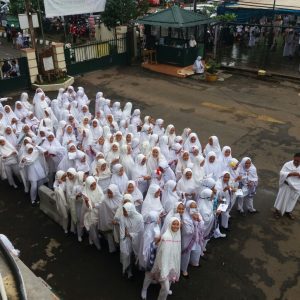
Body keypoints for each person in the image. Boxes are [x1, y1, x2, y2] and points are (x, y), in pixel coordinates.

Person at [151, 217, 181, 300]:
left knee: (170, 281)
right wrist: (164, 270)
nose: (175, 226)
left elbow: (177, 252)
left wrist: (176, 265)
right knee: (166, 288)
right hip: (164, 265)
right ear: (170, 224)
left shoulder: (178, 236)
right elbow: (162, 255)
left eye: (177, 224)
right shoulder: (166, 237)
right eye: (173, 224)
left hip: (172, 264)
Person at [119, 202, 144, 278]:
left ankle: (139, 266)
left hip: (137, 240)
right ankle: (128, 270)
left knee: (136, 254)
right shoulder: (122, 217)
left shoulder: (139, 218)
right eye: (123, 211)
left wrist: (130, 234)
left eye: (125, 211)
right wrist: (124, 239)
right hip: (126, 240)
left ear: (130, 211)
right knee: (127, 255)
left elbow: (140, 232)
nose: (124, 213)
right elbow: (122, 232)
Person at [274, 153, 300, 220]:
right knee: (281, 199)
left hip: (296, 187)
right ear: (293, 158)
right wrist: (291, 174)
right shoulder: (287, 164)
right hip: (286, 186)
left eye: (298, 161)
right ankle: (276, 211)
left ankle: (288, 212)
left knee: (291, 200)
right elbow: (281, 173)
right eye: (295, 160)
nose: (296, 162)